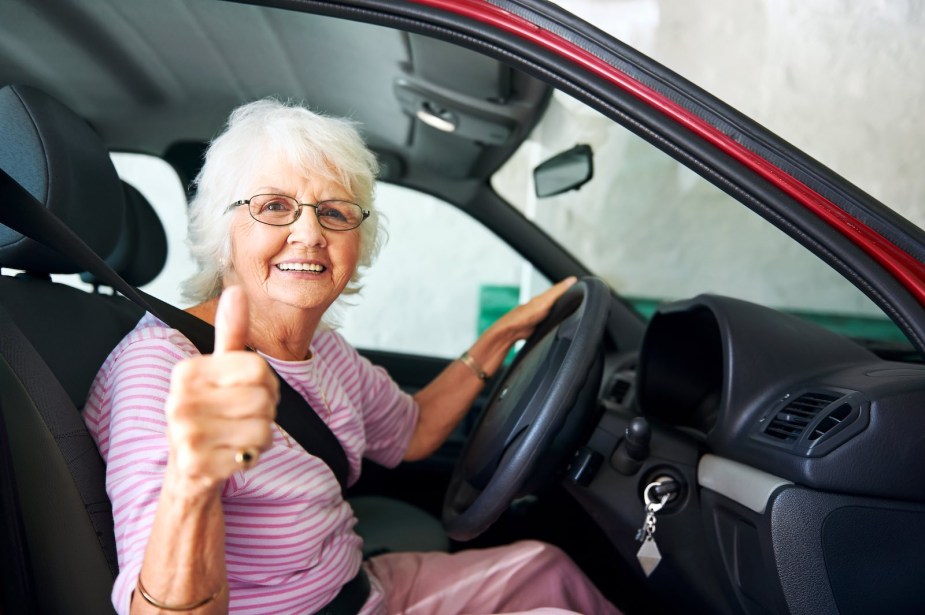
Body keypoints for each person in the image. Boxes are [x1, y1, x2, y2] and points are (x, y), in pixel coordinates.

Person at [83, 98, 619, 615]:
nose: (310, 234)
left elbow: (413, 432)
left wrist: (503, 335)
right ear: (223, 235)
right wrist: (193, 478)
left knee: (545, 568)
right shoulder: (159, 369)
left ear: (357, 242)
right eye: (274, 206)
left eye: (336, 212)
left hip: (358, 587)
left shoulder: (326, 351)